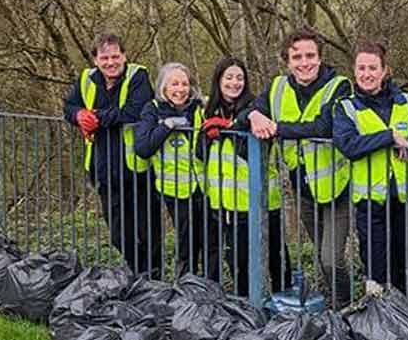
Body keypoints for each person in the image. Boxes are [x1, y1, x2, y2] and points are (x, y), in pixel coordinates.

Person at [246, 27, 353, 308]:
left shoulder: (339, 85)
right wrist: (255, 114)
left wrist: (278, 128)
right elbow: (252, 109)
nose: (304, 63)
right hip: (302, 187)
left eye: (310, 56)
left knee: (331, 259)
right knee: (320, 256)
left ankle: (345, 305)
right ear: (287, 60)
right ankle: (331, 305)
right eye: (297, 57)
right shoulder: (279, 86)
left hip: (337, 187)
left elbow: (325, 126)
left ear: (320, 57)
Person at [333, 40, 408, 304]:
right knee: (376, 270)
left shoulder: (406, 102)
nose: (367, 74)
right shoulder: (346, 108)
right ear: (354, 71)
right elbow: (349, 146)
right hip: (371, 205)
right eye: (361, 68)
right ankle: (378, 323)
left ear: (385, 70)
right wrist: (389, 136)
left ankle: (406, 318)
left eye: (373, 68)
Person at [63, 33, 162, 276]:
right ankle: (139, 274)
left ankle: (153, 280)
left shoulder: (137, 76)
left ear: (124, 56)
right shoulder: (87, 78)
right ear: (95, 59)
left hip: (137, 170)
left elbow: (135, 111)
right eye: (105, 58)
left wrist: (95, 118)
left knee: (147, 232)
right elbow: (69, 105)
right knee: (119, 234)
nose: (111, 62)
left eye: (115, 56)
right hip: (103, 168)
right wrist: (78, 116)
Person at [200, 56, 292, 297]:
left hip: (262, 199)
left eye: (240, 78)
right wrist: (206, 134)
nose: (234, 83)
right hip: (228, 203)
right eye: (229, 77)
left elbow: (248, 151)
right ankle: (247, 309)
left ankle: (286, 307)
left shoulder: (255, 109)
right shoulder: (207, 110)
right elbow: (200, 155)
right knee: (239, 262)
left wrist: (230, 130)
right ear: (218, 80)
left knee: (276, 257)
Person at [134, 62, 209, 279]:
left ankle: (209, 286)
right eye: (174, 84)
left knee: (209, 240)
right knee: (187, 241)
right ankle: (185, 286)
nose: (180, 89)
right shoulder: (154, 110)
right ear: (163, 88)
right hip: (175, 189)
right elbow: (143, 148)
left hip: (204, 187)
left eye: (185, 84)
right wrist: (166, 126)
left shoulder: (199, 109)